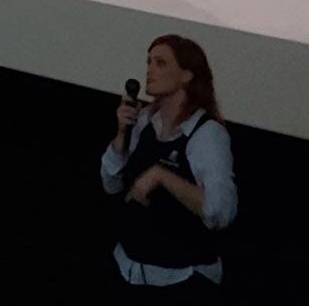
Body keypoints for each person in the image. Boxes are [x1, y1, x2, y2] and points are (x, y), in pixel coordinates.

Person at [101, 34, 237, 294]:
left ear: (187, 75)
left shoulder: (206, 134)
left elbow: (221, 212)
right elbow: (111, 183)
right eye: (149, 62)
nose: (150, 70)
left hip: (179, 281)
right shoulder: (144, 120)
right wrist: (121, 133)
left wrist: (162, 176)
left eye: (160, 63)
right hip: (128, 270)